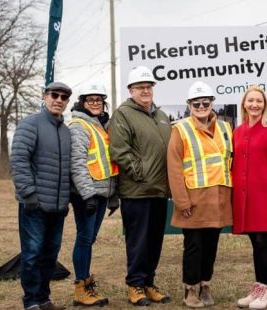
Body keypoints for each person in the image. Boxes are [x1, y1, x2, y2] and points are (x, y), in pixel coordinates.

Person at [108, 66, 171, 306]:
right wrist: (142, 174)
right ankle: (135, 285)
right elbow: (119, 151)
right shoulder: (123, 114)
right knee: (138, 241)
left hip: (159, 190)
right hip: (137, 191)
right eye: (140, 87)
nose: (145, 91)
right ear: (131, 90)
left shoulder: (161, 116)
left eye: (148, 86)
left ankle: (148, 282)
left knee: (154, 240)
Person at [167, 81, 233, 308]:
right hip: (193, 200)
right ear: (189, 105)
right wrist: (181, 200)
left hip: (218, 198)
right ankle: (190, 290)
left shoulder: (225, 128)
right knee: (194, 246)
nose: (201, 106)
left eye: (205, 102)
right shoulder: (180, 129)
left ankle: (206, 285)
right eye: (196, 103)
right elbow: (174, 168)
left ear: (212, 103)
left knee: (211, 245)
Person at [11, 81, 73, 310]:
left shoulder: (66, 132)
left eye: (64, 97)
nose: (59, 100)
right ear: (45, 97)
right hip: (34, 205)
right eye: (54, 95)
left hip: (57, 207)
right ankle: (31, 302)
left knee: (50, 255)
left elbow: (67, 169)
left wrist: (65, 200)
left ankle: (44, 299)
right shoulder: (31, 124)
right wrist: (28, 194)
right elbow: (18, 160)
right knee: (32, 254)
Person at [232, 86, 267, 309]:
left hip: (265, 197)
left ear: (264, 105)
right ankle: (257, 290)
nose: (255, 104)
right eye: (251, 100)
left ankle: (265, 292)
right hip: (243, 198)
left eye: (259, 101)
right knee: (254, 244)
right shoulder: (238, 131)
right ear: (244, 104)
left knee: (263, 243)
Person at [68, 82, 120, 307]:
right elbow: (77, 163)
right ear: (82, 103)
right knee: (85, 238)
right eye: (91, 100)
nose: (96, 103)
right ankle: (81, 288)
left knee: (90, 239)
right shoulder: (79, 126)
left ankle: (86, 283)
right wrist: (87, 194)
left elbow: (108, 162)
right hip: (86, 194)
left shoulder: (101, 126)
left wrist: (112, 195)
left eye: (99, 100)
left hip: (100, 193)